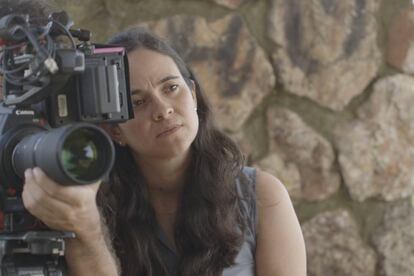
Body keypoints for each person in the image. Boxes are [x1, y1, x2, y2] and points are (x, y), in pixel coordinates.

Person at [8, 1, 307, 275]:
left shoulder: (261, 195)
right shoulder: (90, 202)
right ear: (115, 131)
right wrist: (85, 230)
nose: (162, 110)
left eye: (171, 88)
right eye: (137, 102)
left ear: (193, 95)